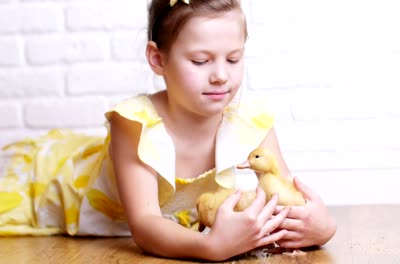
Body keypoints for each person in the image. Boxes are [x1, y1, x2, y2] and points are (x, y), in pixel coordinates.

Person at [0, 0, 336, 261]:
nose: (221, 75)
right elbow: (145, 226)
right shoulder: (134, 123)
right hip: (68, 189)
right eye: (201, 61)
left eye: (233, 59)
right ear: (158, 60)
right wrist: (211, 248)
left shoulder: (252, 122)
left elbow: (283, 198)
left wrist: (320, 227)